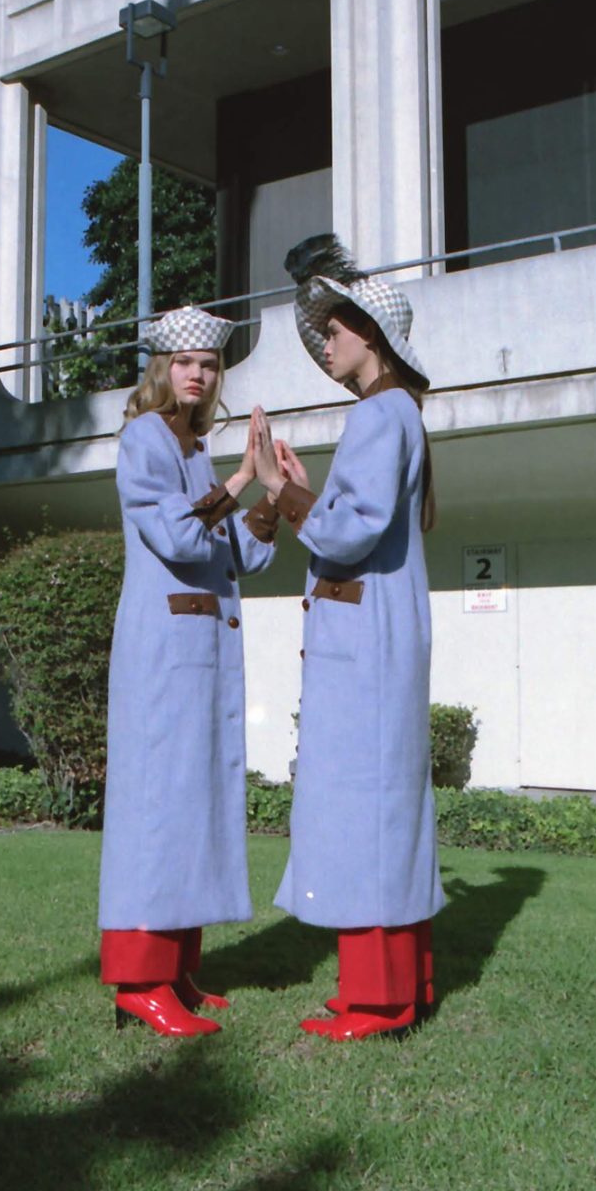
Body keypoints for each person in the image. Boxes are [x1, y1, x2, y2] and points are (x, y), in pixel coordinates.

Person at [251, 235, 445, 1042]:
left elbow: (347, 534)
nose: (324, 345)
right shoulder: (398, 414)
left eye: (333, 330)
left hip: (365, 641)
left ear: (369, 332)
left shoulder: (377, 414)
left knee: (365, 812)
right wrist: (305, 493)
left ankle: (378, 1001)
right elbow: (359, 521)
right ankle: (401, 986)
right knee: (383, 809)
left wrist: (282, 493)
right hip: (377, 633)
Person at [98, 305, 280, 1038]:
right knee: (157, 809)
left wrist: (270, 494)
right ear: (161, 368)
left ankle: (176, 971)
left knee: (191, 806)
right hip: (162, 656)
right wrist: (239, 480)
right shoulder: (144, 437)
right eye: (185, 363)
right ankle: (139, 982)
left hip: (194, 652)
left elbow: (241, 554)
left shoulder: (192, 449)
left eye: (209, 364)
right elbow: (177, 535)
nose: (199, 375)